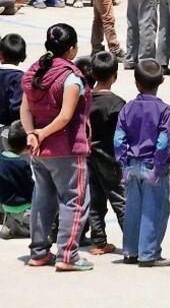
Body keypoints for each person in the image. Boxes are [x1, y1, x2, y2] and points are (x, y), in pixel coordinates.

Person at [19, 24, 91, 270]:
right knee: (75, 199)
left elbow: (25, 109)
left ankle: (38, 252)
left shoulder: (34, 71)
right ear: (71, 49)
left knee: (42, 198)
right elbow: (65, 117)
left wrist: (32, 134)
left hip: (39, 151)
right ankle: (68, 255)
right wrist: (42, 132)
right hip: (67, 149)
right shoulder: (70, 77)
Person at [115, 59, 170, 267]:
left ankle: (130, 251)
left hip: (131, 164)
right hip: (152, 165)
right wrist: (159, 165)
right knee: (153, 209)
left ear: (136, 82)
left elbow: (118, 139)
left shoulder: (128, 108)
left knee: (132, 208)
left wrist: (123, 162)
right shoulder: (164, 110)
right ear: (161, 82)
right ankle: (149, 253)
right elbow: (163, 141)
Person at [86, 51, 126, 255]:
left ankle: (98, 241)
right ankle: (131, 240)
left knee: (95, 200)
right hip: (110, 159)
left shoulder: (84, 100)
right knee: (120, 198)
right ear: (115, 76)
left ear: (92, 73)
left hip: (88, 156)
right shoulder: (118, 104)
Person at [0, 121, 32, 239]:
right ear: (25, 147)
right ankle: (20, 226)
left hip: (5, 205)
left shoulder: (1, 159)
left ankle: (11, 222)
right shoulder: (22, 164)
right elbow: (30, 187)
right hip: (22, 207)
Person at [0, 33, 26, 144]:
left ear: (1, 55)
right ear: (24, 57)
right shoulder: (19, 78)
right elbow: (15, 107)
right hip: (7, 130)